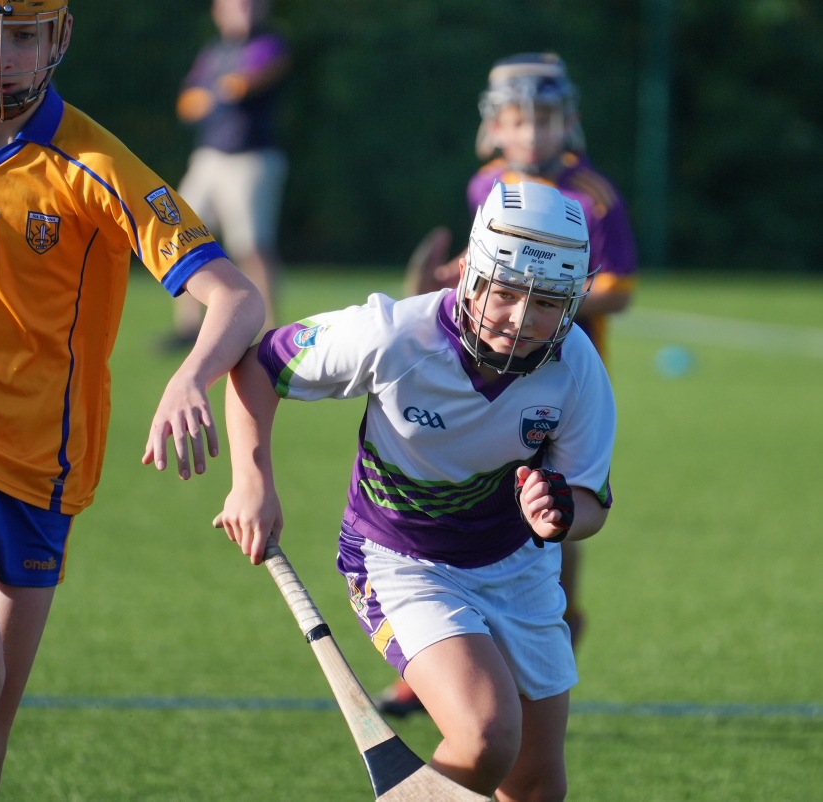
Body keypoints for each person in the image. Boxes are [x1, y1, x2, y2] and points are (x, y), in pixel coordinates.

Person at [0, 2, 264, 800]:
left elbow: (235, 297)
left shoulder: (96, 163)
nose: (1, 56)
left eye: (22, 35)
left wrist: (187, 375)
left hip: (45, 465)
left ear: (57, 38)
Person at [218, 181, 617, 801]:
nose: (522, 318)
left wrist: (561, 514)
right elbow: (260, 366)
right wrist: (253, 483)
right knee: (485, 735)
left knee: (536, 785)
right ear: (473, 275)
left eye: (547, 303)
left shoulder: (577, 366)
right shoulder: (394, 335)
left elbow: (591, 501)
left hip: (519, 569)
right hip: (402, 559)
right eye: (508, 293)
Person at [390, 52, 638, 716]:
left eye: (546, 120)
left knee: (555, 512)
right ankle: (429, 654)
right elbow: (487, 260)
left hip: (563, 382)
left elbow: (619, 291)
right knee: (458, 505)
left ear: (570, 124)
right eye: (518, 120)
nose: (532, 134)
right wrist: (453, 279)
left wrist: (547, 299)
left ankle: (557, 625)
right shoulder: (485, 186)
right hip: (484, 373)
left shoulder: (594, 195)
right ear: (493, 127)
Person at [166, 0, 290, 348]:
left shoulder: (270, 45)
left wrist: (215, 92)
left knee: (252, 245)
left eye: (252, 5)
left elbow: (244, 85)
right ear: (219, 10)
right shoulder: (214, 52)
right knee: (183, 236)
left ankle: (273, 332)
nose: (246, 10)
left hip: (252, 159)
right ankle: (189, 327)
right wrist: (220, 90)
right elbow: (187, 104)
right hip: (209, 157)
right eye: (238, 5)